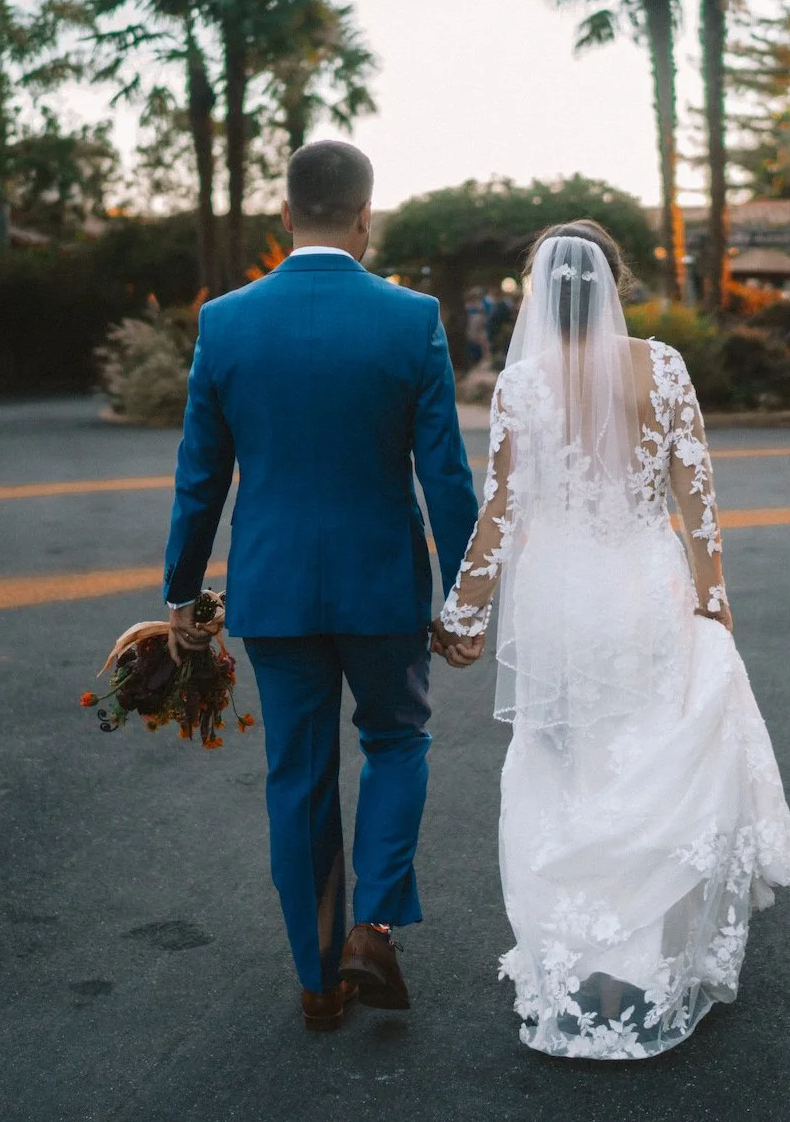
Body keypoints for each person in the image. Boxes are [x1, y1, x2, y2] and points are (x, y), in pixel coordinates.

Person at [433, 222, 790, 1060]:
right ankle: (640, 956)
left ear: (535, 292)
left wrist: (464, 611)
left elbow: (501, 511)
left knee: (569, 766)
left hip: (561, 598)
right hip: (643, 585)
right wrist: (712, 594)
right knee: (643, 758)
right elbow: (694, 485)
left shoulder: (522, 384)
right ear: (615, 281)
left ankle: (587, 960)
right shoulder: (661, 367)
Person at [161, 140, 480, 1033]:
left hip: (276, 591)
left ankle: (317, 977)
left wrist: (183, 590)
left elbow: (200, 476)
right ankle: (371, 929)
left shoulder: (225, 322)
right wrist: (466, 598)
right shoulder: (410, 318)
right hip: (382, 587)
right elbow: (446, 478)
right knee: (397, 742)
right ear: (366, 216)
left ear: (286, 211)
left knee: (298, 776)